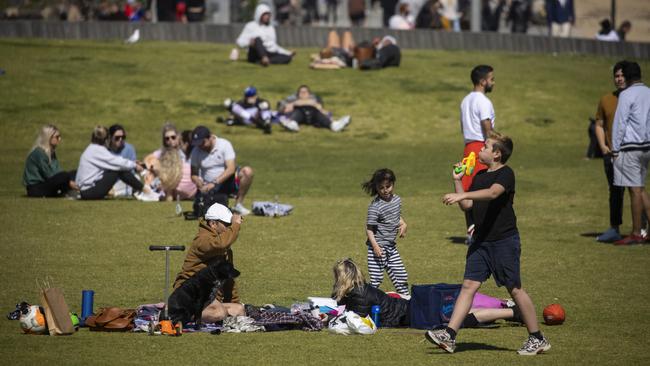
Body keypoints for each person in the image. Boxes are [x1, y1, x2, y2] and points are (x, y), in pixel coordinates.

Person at [427, 131, 550, 356]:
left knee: (515, 289)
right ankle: (450, 334)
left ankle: (537, 338)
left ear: (497, 154)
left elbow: (493, 194)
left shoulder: (506, 174)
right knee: (468, 286)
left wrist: (462, 196)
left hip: (504, 241)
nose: (479, 150)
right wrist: (458, 182)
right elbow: (468, 207)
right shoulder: (480, 176)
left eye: (485, 147)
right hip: (481, 241)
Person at [332, 258, 523, 328]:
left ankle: (513, 313)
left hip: (414, 315)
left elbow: (355, 320)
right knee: (459, 308)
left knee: (461, 318)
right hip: (414, 304)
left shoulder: (358, 294)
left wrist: (327, 319)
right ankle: (509, 308)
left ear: (342, 278)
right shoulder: (362, 288)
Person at [173, 203, 245, 322]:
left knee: (238, 310)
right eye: (226, 224)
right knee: (219, 313)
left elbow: (228, 281)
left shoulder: (224, 248)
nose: (229, 228)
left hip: (208, 298)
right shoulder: (202, 240)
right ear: (212, 224)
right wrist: (236, 224)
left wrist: (234, 302)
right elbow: (220, 244)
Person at [611, 62, 650, 245]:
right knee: (640, 189)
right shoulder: (648, 92)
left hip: (631, 147)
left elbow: (620, 123)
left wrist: (615, 149)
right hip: (647, 147)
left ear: (626, 76)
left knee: (634, 190)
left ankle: (636, 233)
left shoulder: (626, 94)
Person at [75, 126, 158, 201]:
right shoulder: (98, 150)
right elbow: (117, 162)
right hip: (90, 192)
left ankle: (145, 191)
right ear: (106, 139)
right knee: (118, 169)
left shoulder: (90, 149)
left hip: (85, 191)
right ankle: (147, 192)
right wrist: (134, 165)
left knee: (117, 168)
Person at [361, 168, 410, 297]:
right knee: (376, 280)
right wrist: (375, 246)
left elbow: (395, 216)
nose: (385, 190)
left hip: (391, 248)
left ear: (393, 184)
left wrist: (403, 223)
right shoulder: (375, 207)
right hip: (377, 249)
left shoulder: (397, 200)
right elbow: (369, 228)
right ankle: (366, 300)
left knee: (402, 276)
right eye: (381, 187)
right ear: (376, 188)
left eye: (388, 186)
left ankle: (406, 300)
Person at [594, 62, 627, 242]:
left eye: (622, 75)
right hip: (611, 153)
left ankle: (643, 228)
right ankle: (615, 227)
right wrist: (603, 146)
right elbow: (598, 124)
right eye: (616, 76)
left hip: (632, 152)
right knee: (614, 191)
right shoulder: (606, 99)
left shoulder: (637, 100)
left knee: (637, 190)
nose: (619, 79)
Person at [190, 125, 254, 216]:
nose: (200, 146)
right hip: (207, 186)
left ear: (210, 137)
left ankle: (238, 205)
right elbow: (194, 174)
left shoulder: (224, 144)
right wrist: (198, 182)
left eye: (202, 142)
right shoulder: (196, 151)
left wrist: (214, 183)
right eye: (198, 143)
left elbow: (231, 168)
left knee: (247, 171)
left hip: (227, 182)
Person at [143, 122, 196, 201]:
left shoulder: (185, 150)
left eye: (173, 137)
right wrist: (156, 169)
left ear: (178, 137)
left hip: (188, 186)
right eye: (167, 138)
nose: (170, 140)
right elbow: (148, 159)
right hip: (170, 185)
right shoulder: (162, 153)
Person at [23, 124, 78, 197]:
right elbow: (49, 174)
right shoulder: (39, 153)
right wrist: (69, 183)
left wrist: (68, 179)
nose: (60, 139)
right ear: (48, 138)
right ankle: (68, 191)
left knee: (74, 173)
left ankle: (66, 190)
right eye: (57, 137)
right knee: (64, 176)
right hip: (36, 188)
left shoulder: (51, 152)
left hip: (47, 183)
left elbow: (57, 171)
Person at [277, 85, 351, 132]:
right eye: (301, 92)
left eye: (305, 92)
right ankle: (292, 125)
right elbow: (282, 108)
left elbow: (320, 107)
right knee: (299, 110)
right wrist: (295, 104)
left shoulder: (315, 98)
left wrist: (297, 103)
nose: (303, 93)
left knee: (317, 112)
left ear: (309, 94)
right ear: (298, 94)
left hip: (314, 117)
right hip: (299, 116)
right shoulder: (292, 99)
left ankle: (334, 125)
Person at [107, 124, 138, 197]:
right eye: (117, 138)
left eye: (123, 137)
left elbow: (132, 171)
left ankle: (113, 192)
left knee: (136, 178)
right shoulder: (105, 150)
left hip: (124, 180)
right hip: (108, 180)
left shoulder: (129, 148)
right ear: (110, 137)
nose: (120, 140)